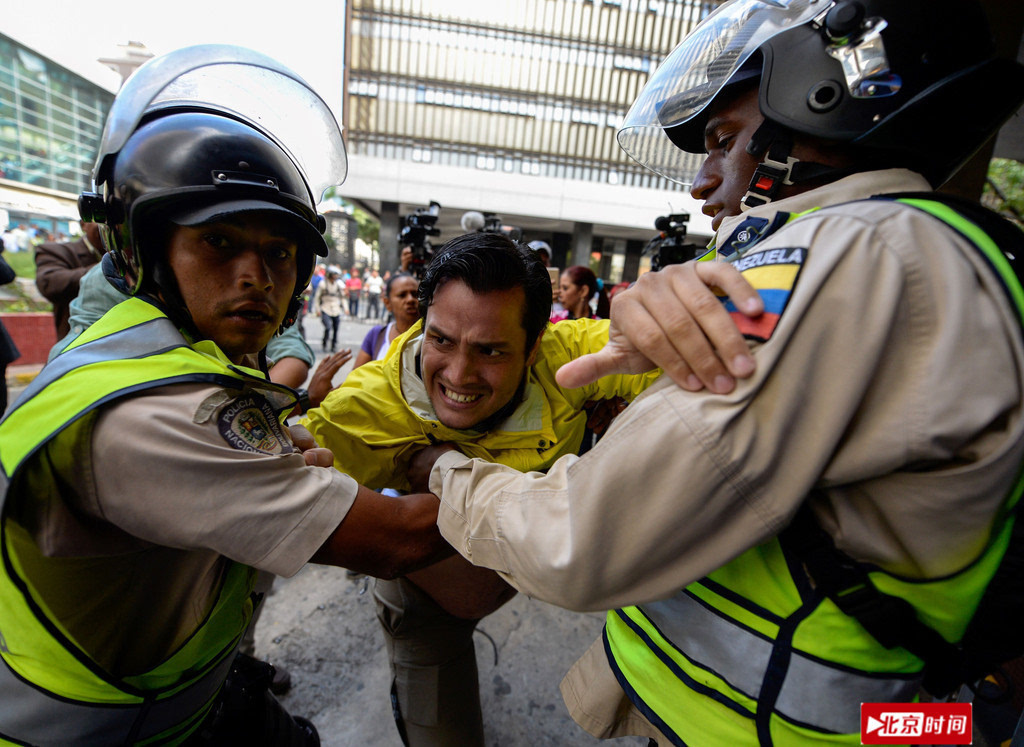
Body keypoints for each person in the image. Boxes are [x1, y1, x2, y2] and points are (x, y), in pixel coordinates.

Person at [409, 2, 1024, 745]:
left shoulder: (839, 258)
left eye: (723, 141)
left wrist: (443, 468)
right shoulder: (950, 249)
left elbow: (573, 541)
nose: (702, 184)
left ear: (821, 104)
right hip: (883, 716)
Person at [0, 45, 451, 746]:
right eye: (218, 241)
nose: (255, 276)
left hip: (181, 693)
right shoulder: (154, 415)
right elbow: (394, 541)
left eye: (278, 253)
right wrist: (539, 479)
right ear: (148, 253)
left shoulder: (157, 354)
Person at [303, 232, 660, 746]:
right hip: (426, 613)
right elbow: (273, 488)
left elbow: (705, 374)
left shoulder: (575, 358)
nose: (458, 375)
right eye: (441, 340)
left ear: (535, 344)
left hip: (509, 587)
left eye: (490, 350)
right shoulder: (367, 406)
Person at [33, 222, 104, 338]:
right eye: (100, 219)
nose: (107, 225)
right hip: (80, 345)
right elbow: (49, 283)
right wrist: (108, 266)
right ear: (83, 224)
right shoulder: (56, 251)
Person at [352, 271, 419, 369]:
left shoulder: (430, 339)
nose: (410, 300)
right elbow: (355, 380)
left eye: (415, 294)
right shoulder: (376, 335)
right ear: (387, 303)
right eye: (402, 295)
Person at [311, 264, 344, 351]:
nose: (335, 276)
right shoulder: (323, 284)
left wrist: (346, 308)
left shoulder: (338, 284)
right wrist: (317, 309)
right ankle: (325, 341)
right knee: (328, 327)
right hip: (326, 308)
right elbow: (317, 298)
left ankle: (333, 344)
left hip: (336, 309)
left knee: (336, 328)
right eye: (334, 274)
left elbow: (342, 297)